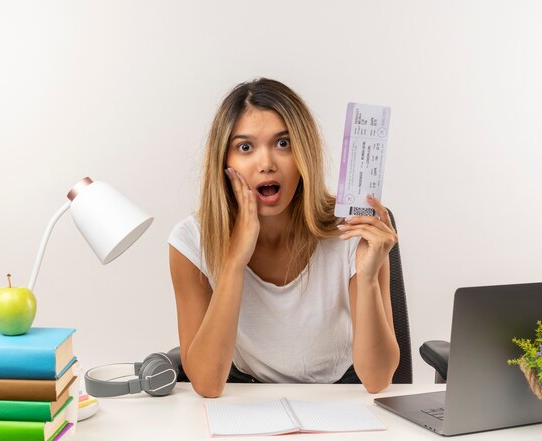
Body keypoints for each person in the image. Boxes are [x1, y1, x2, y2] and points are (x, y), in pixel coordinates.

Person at [168, 78, 399, 398]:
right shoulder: (191, 240)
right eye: (245, 147)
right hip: (242, 392)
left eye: (283, 143)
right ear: (225, 162)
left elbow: (377, 379)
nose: (266, 164)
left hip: (341, 393)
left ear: (304, 153)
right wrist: (234, 261)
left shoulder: (349, 231)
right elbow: (207, 383)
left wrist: (370, 277)